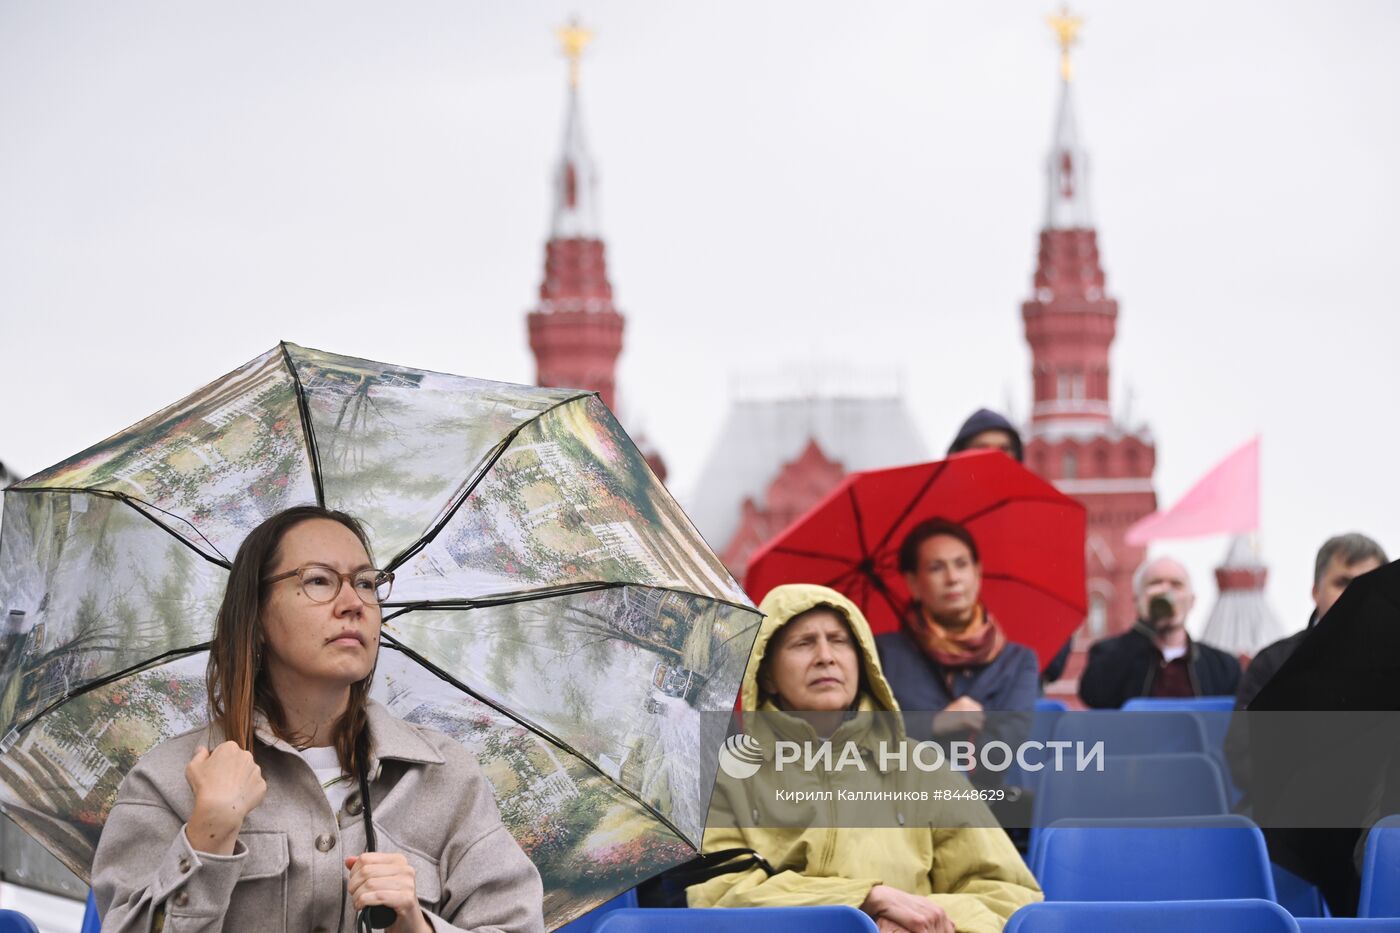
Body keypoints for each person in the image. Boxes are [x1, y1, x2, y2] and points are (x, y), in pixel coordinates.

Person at [92, 506, 543, 933]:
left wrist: (417, 926)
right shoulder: (167, 782)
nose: (354, 603)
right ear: (258, 616)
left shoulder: (444, 779)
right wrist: (207, 835)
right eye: (319, 581)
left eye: (366, 583)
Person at [689, 584, 1041, 933]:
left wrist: (918, 920)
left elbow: (1008, 893)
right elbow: (721, 898)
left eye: (840, 641)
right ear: (767, 675)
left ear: (864, 663)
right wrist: (866, 902)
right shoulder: (729, 778)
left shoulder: (924, 771)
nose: (826, 656)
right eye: (803, 643)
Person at [875, 520, 1038, 776]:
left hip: (987, 804)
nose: (952, 578)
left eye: (961, 564)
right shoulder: (884, 655)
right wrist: (936, 723)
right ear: (913, 583)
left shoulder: (1017, 661)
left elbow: (1006, 747)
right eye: (936, 567)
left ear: (977, 573)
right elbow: (870, 737)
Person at [1078, 556, 1240, 708]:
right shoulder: (1109, 653)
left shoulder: (1223, 666)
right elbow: (1093, 696)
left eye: (1176, 585)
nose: (1165, 590)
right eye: (1155, 583)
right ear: (1137, 600)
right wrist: (1145, 627)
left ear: (1191, 601)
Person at [947, 409, 1023, 463]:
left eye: (1004, 449)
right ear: (962, 452)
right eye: (983, 448)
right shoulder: (943, 485)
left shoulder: (1031, 485)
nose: (995, 458)